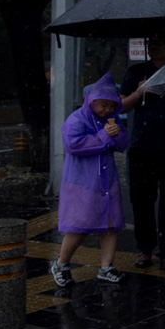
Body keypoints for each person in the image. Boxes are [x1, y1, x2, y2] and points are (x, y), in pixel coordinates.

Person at [51, 72, 130, 287]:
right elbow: (73, 145)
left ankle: (106, 267)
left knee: (110, 226)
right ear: (91, 100)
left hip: (107, 181)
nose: (108, 110)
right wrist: (105, 135)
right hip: (82, 183)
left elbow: (122, 144)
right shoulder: (76, 119)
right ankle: (61, 264)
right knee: (79, 227)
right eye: (104, 105)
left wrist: (116, 134)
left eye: (112, 106)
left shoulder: (112, 120)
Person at [120, 38, 165, 275]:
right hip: (142, 147)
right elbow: (121, 106)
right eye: (151, 42)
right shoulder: (137, 71)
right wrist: (140, 92)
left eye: (161, 41)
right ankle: (145, 248)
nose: (154, 46)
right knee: (141, 201)